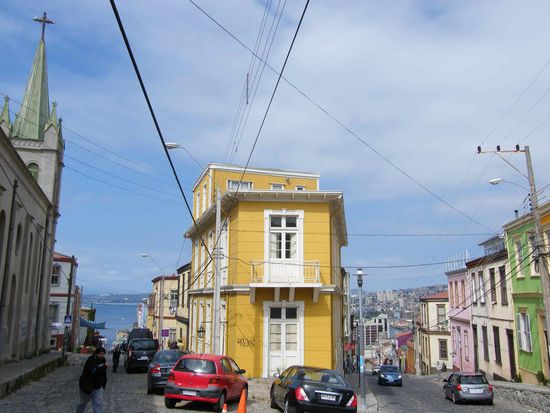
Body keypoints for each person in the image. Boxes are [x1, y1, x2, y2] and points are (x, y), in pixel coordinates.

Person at [76, 346, 108, 413]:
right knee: (83, 403)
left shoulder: (103, 360)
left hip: (97, 386)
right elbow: (93, 371)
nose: (102, 355)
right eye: (100, 353)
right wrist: (104, 367)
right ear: (96, 353)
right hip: (87, 385)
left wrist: (103, 383)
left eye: (103, 353)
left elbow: (103, 373)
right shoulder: (90, 360)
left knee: (98, 404)